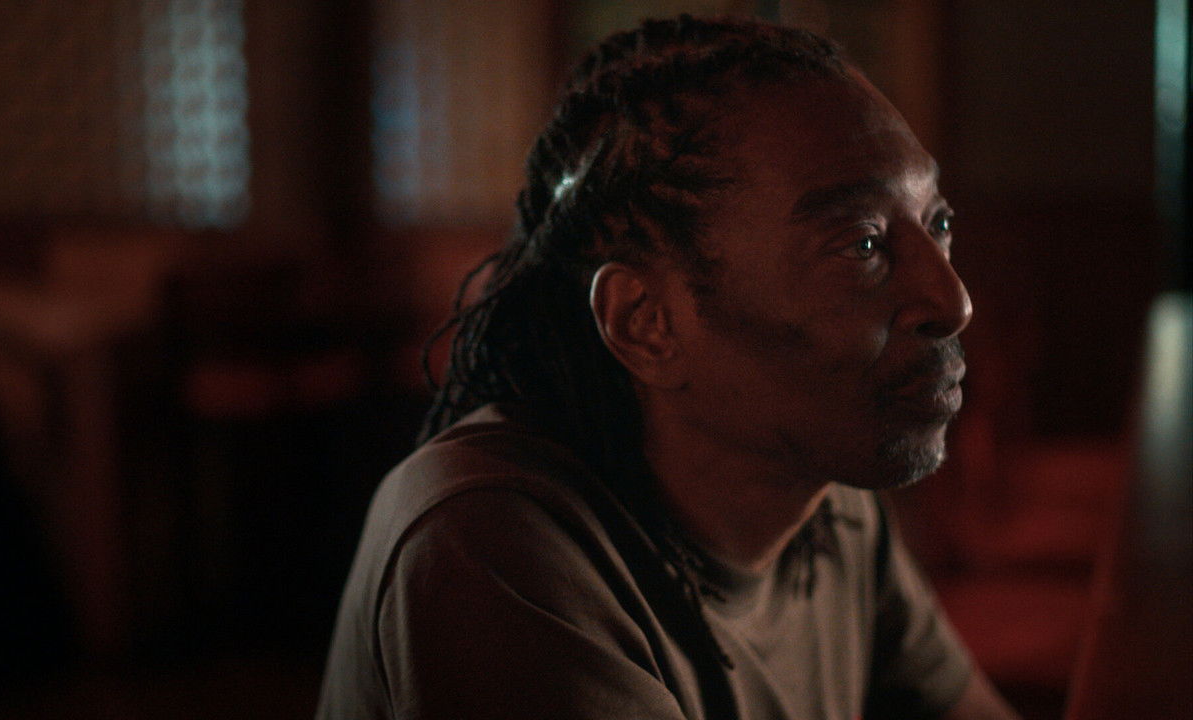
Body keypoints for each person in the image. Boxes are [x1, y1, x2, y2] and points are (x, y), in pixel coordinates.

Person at [318, 15, 1020, 720]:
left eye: (938, 224)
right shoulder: (487, 539)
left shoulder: (828, 503)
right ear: (645, 322)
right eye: (862, 244)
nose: (952, 301)